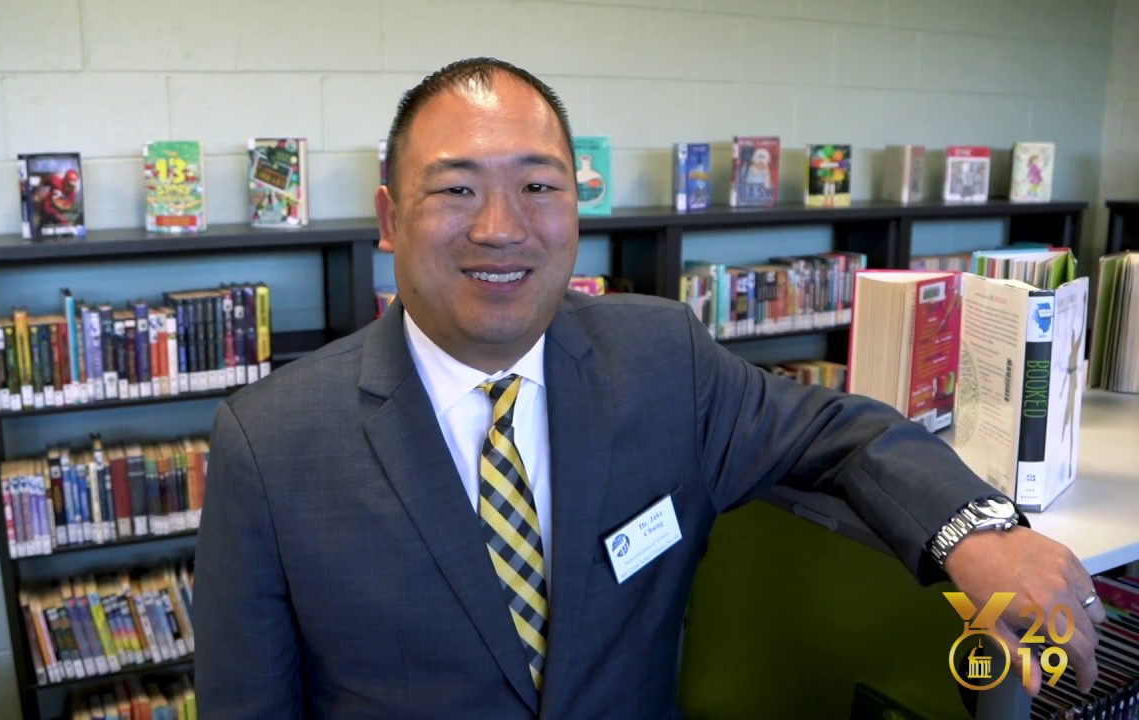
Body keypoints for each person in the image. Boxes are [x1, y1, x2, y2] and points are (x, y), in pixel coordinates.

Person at [194, 57, 1105, 719]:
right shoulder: (270, 444)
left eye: (538, 186)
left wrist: (974, 531)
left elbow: (839, 431)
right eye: (457, 191)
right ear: (390, 221)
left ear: (575, 212)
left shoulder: (661, 359)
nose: (502, 228)